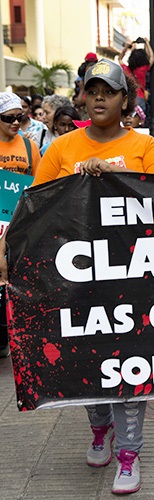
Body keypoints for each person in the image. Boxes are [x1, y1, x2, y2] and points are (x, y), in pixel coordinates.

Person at [0, 59, 154, 495]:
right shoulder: (61, 149)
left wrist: (115, 174)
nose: (99, 97)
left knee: (129, 363)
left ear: (125, 100)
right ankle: (99, 427)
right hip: (74, 281)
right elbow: (34, 208)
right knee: (87, 360)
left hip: (132, 277)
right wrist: (8, 252)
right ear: (82, 97)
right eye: (92, 90)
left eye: (109, 91)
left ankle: (129, 454)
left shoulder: (146, 149)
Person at [0, 92, 41, 358]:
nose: (15, 123)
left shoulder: (29, 147)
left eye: (20, 117)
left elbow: (39, 184)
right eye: (8, 118)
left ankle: (14, 332)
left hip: (19, 220)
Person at [118, 37, 154, 112]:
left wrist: (126, 47)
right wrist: (147, 43)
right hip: (140, 97)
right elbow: (152, 57)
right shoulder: (143, 69)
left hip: (130, 98)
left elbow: (120, 59)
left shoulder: (126, 70)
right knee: (140, 121)